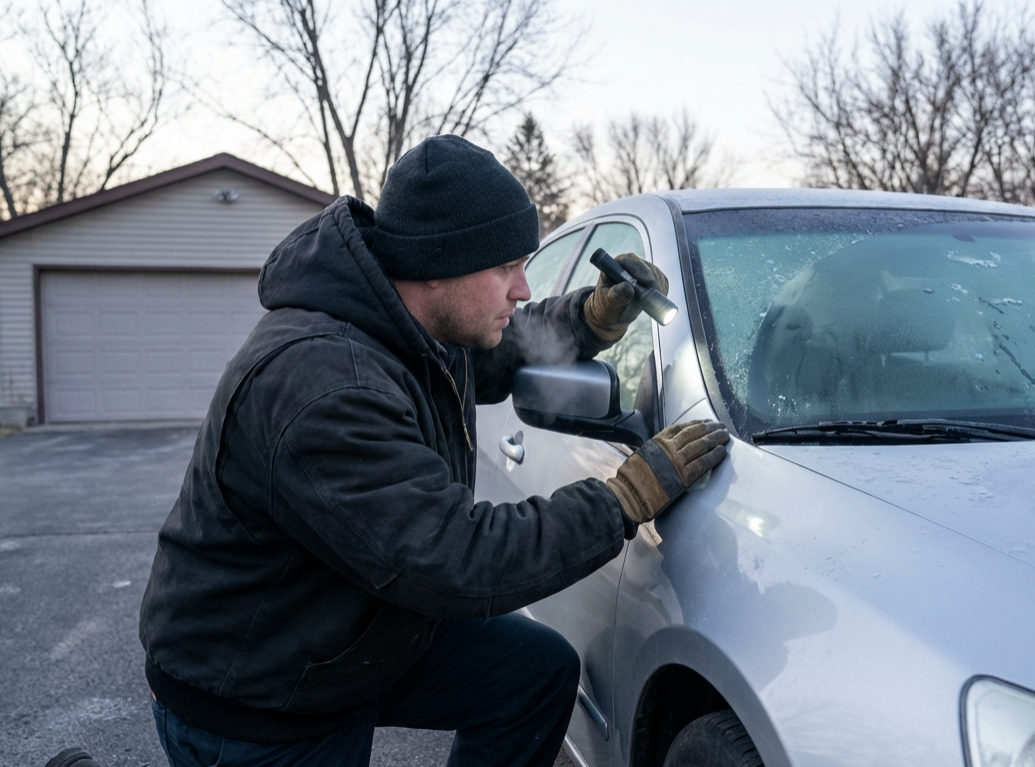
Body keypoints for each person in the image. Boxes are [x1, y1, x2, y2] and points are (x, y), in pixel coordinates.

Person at [134, 135, 730, 767]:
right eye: (505, 268)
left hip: (348, 634)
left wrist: (591, 317)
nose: (522, 289)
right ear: (440, 263)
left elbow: (492, 352)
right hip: (263, 696)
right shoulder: (326, 385)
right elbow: (456, 559)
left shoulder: (407, 322)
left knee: (533, 672)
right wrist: (620, 500)